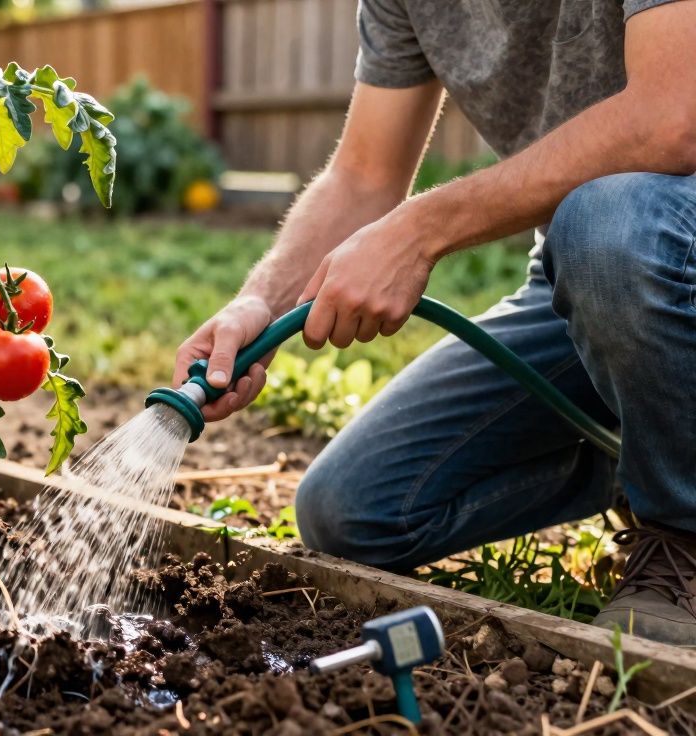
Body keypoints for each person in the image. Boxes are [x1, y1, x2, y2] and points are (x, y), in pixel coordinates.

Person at [176, 0, 696, 645]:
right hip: (596, 276)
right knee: (355, 510)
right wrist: (261, 301)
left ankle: (684, 535)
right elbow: (364, 175)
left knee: (610, 223)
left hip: (640, 241)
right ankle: (658, 444)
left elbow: (670, 118)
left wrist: (420, 230)